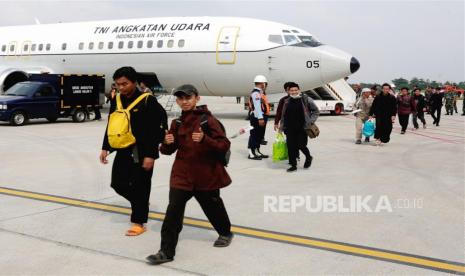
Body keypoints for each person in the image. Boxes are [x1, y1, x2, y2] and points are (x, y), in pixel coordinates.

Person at [146, 84, 233, 265]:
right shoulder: (176, 123)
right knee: (173, 213)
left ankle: (225, 232)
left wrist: (205, 139)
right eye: (181, 99)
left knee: (213, 208)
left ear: (197, 98)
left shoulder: (208, 121)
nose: (184, 102)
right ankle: (166, 252)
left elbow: (224, 145)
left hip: (206, 175)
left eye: (188, 98)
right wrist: (166, 142)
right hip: (182, 176)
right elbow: (167, 150)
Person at [99, 66, 166, 236]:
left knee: (141, 186)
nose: (121, 87)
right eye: (118, 84)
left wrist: (151, 155)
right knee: (117, 183)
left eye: (124, 84)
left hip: (142, 151)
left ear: (134, 82)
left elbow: (156, 129)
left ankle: (139, 221)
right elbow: (112, 124)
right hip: (123, 149)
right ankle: (141, 204)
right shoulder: (117, 99)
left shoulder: (147, 100)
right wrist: (106, 147)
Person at [279, 82, 319, 172]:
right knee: (291, 147)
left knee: (301, 145)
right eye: (292, 90)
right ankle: (293, 165)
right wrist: (281, 127)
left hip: (302, 128)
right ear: (288, 91)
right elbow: (283, 115)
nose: (294, 92)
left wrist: (310, 121)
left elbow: (316, 111)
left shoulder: (306, 99)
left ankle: (308, 157)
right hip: (289, 128)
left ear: (299, 90)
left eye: (295, 90)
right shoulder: (286, 101)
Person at [247, 75, 269, 160]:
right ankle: (251, 153)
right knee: (254, 134)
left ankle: (257, 151)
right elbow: (257, 106)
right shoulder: (256, 93)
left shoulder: (260, 93)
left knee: (259, 135)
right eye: (265, 84)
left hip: (261, 116)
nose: (266, 86)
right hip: (257, 117)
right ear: (262, 84)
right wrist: (260, 118)